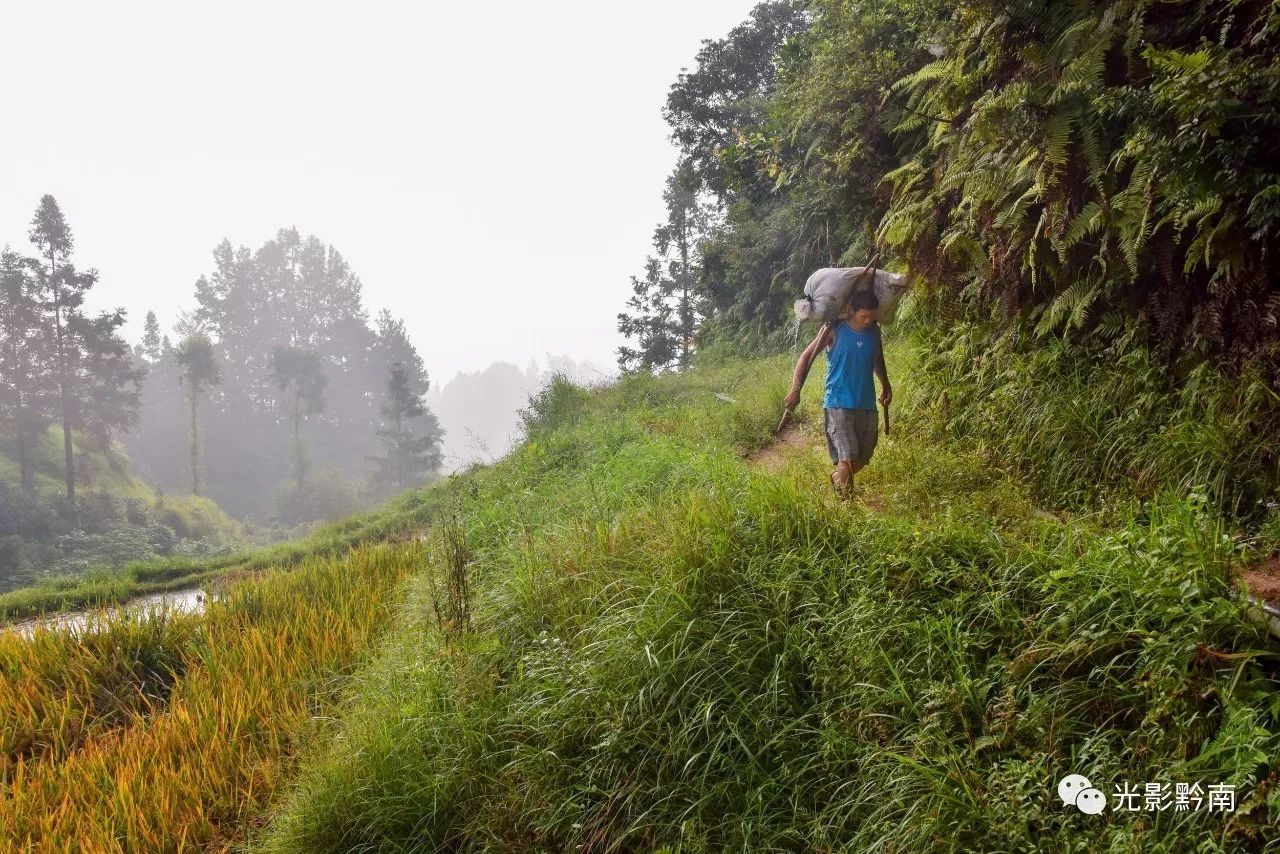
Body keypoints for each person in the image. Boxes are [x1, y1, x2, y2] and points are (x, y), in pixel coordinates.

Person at [782, 290, 891, 498]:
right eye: (863, 316)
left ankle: (836, 478)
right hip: (838, 403)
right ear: (851, 311)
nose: (868, 321)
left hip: (866, 403)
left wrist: (885, 385)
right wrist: (795, 389)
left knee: (862, 457)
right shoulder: (833, 330)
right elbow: (805, 357)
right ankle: (846, 507)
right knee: (848, 458)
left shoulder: (874, 333)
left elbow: (878, 359)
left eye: (871, 316)